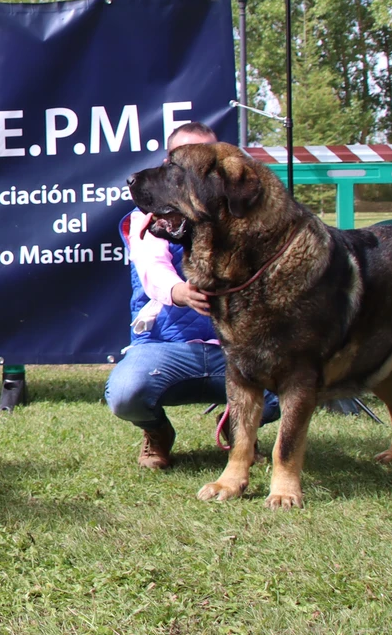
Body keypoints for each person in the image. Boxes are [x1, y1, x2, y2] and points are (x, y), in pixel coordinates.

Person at [105, 122, 278, 468]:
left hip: (233, 349)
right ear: (170, 163)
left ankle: (238, 426)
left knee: (286, 390)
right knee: (126, 393)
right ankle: (157, 433)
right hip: (164, 348)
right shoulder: (148, 219)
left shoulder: (239, 217)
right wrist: (180, 291)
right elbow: (152, 269)